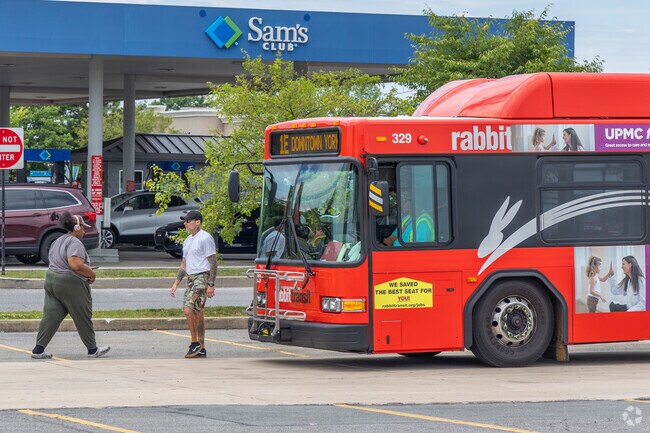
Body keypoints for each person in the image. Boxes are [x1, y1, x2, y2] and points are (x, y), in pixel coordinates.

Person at [31, 212, 110, 359]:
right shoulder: (75, 242)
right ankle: (93, 350)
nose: (84, 231)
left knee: (51, 315)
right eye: (83, 228)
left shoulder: (58, 240)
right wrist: (91, 274)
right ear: (76, 227)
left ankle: (38, 349)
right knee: (82, 315)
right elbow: (75, 264)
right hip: (69, 282)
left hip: (51, 279)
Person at [169, 210, 217, 358]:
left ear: (197, 222)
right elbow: (184, 264)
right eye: (185, 221)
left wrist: (211, 284)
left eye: (188, 221)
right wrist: (176, 283)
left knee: (189, 309)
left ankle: (194, 342)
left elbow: (213, 262)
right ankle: (201, 347)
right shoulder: (187, 240)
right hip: (191, 278)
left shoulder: (205, 238)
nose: (185, 223)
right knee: (197, 312)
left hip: (202, 277)